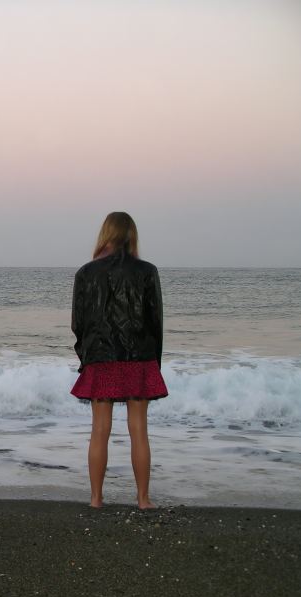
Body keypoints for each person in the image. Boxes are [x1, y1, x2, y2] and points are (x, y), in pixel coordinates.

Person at [70, 212, 168, 509]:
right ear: (131, 235)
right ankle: (143, 499)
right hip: (139, 358)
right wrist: (155, 362)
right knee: (138, 429)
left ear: (105, 235)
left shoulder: (86, 273)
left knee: (100, 430)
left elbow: (79, 322)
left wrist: (85, 359)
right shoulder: (147, 271)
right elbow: (156, 320)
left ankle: (96, 499)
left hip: (101, 358)